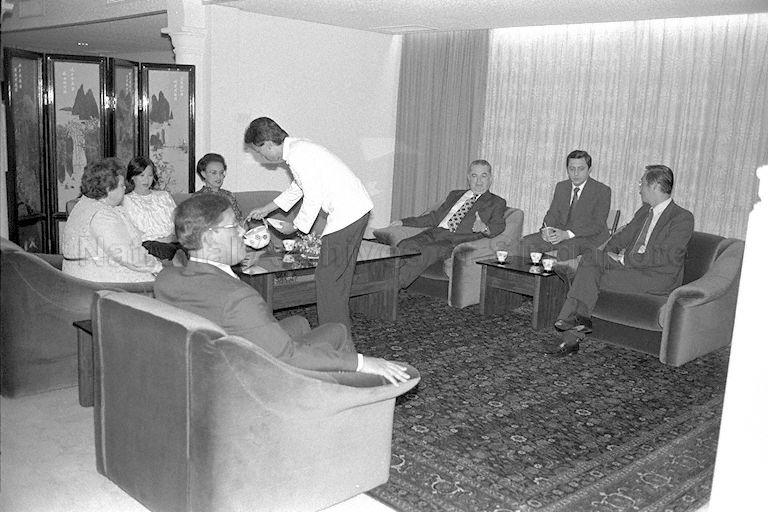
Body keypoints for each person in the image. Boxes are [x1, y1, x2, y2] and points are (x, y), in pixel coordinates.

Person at [154, 194, 410, 385]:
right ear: (210, 238)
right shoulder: (238, 298)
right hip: (252, 378)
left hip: (214, 361)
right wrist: (365, 362)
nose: (244, 231)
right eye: (234, 226)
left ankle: (326, 380)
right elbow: (288, 356)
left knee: (299, 322)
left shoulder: (167, 279)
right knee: (337, 330)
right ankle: (346, 400)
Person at [244, 117, 373, 330]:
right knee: (338, 277)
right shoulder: (298, 149)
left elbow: (314, 194)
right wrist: (267, 209)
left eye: (259, 152)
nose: (262, 157)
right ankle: (340, 330)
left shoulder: (298, 154)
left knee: (327, 278)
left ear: (267, 144)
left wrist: (294, 227)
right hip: (357, 210)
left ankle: (334, 336)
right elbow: (299, 188)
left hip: (347, 214)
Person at [550, 165, 694, 356]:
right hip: (632, 268)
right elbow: (622, 237)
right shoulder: (645, 211)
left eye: (642, 183)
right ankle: (578, 322)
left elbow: (665, 255)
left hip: (656, 278)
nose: (639, 188)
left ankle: (571, 334)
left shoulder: (682, 218)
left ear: (654, 186)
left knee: (587, 278)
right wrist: (606, 254)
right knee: (591, 258)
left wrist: (625, 259)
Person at [390, 160, 507, 290]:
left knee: (427, 251)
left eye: (483, 176)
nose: (479, 181)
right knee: (405, 245)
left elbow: (499, 225)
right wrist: (404, 222)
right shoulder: (455, 195)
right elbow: (434, 217)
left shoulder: (496, 202)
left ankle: (390, 288)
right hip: (434, 233)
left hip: (455, 240)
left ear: (490, 178)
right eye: (474, 176)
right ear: (468, 177)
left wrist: (484, 228)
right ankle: (382, 278)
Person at [62, 157, 162, 282]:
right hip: (100, 280)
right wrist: (159, 267)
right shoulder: (102, 215)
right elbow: (128, 256)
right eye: (121, 185)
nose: (125, 188)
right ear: (109, 189)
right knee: (171, 284)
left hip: (84, 276)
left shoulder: (84, 205)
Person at [521, 150, 611, 262]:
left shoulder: (602, 191)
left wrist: (567, 234)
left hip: (588, 237)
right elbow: (552, 214)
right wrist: (546, 230)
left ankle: (556, 279)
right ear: (567, 169)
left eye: (581, 169)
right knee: (526, 243)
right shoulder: (561, 187)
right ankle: (532, 278)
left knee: (566, 250)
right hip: (561, 235)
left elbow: (597, 225)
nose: (576, 173)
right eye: (572, 169)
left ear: (589, 169)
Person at [121, 156, 180, 260]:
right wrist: (161, 240)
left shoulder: (164, 196)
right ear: (132, 177)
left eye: (150, 175)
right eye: (141, 175)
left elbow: (179, 222)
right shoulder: (126, 200)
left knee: (194, 245)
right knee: (152, 248)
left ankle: (180, 257)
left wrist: (173, 238)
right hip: (150, 245)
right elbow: (133, 233)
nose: (146, 180)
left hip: (173, 241)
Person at [192, 153, 243, 223]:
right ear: (203, 174)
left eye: (221, 173)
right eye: (214, 173)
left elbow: (239, 220)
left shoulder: (229, 195)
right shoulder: (198, 198)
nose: (219, 177)